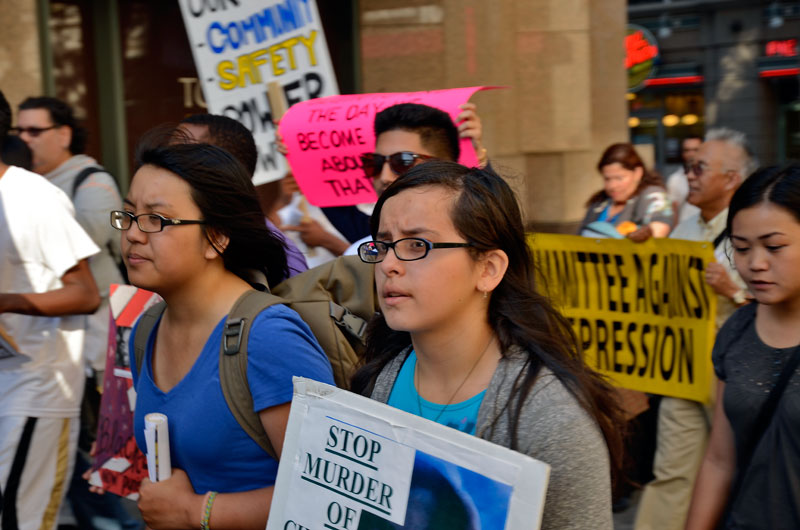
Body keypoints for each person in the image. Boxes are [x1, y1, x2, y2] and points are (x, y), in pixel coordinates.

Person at [351, 161, 624, 529]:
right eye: (382, 245)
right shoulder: (379, 379)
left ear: (489, 269)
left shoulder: (549, 419)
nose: (389, 265)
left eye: (417, 245)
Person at [118, 131, 334, 529]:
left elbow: (326, 491)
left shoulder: (268, 338)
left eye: (155, 219)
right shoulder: (147, 328)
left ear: (215, 237)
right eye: (129, 214)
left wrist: (192, 512)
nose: (133, 232)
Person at [634, 128, 755, 530]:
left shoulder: (753, 234)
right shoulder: (682, 233)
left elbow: (782, 307)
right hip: (683, 372)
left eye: (700, 167)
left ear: (731, 179)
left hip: (739, 377)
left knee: (738, 468)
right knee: (673, 469)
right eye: (689, 166)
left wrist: (733, 290)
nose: (690, 174)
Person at [0, 89, 101, 530]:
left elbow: (84, 293)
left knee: (18, 516)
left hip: (37, 384)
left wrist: (4, 303)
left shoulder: (31, 197)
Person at [685, 164, 800, 529]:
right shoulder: (737, 331)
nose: (756, 264)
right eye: (741, 248)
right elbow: (720, 459)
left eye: (774, 246)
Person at [282, 102, 487, 258]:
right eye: (376, 162)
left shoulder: (476, 233)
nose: (385, 177)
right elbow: (335, 205)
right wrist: (296, 150)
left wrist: (480, 160)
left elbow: (495, 211)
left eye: (403, 161)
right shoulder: (373, 234)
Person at [177, 113, 308, 278]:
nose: (164, 164)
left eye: (181, 156)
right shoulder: (161, 230)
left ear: (227, 171)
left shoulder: (282, 261)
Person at [579, 143, 674, 241]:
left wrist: (647, 233)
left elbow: (659, 229)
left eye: (619, 178)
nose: (612, 186)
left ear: (638, 173)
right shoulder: (600, 201)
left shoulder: (652, 194)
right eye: (607, 179)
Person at [665, 135, 702, 223]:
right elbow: (673, 210)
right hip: (686, 230)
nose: (691, 154)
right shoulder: (675, 179)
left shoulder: (714, 176)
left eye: (696, 150)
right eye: (687, 150)